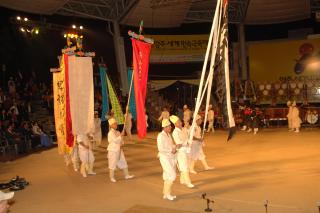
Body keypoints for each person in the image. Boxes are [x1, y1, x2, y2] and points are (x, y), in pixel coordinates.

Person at [170, 115, 194, 188]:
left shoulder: (183, 129)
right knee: (184, 167)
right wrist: (186, 142)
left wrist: (191, 128)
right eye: (178, 122)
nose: (180, 123)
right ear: (175, 124)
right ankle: (188, 182)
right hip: (181, 152)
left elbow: (190, 132)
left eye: (180, 121)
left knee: (187, 165)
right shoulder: (175, 132)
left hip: (187, 150)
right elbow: (179, 143)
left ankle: (182, 180)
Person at [107, 118, 134, 183]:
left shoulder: (118, 132)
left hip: (119, 149)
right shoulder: (110, 133)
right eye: (114, 124)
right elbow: (115, 140)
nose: (116, 125)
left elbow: (121, 141)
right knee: (112, 163)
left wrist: (122, 141)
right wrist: (120, 136)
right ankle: (112, 177)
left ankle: (126, 175)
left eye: (116, 124)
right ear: (111, 125)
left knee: (123, 161)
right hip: (113, 150)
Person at [157, 119, 177, 201]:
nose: (171, 127)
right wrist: (171, 150)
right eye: (169, 126)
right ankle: (168, 194)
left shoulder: (168, 135)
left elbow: (171, 145)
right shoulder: (160, 136)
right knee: (172, 175)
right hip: (164, 158)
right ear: (165, 127)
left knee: (167, 176)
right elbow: (161, 149)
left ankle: (165, 193)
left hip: (170, 157)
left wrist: (175, 147)